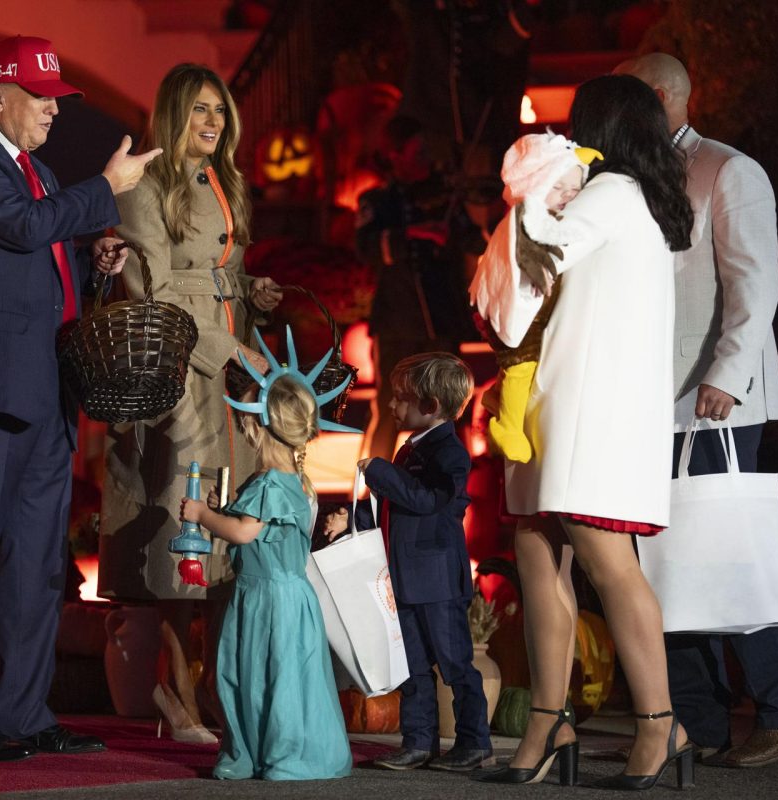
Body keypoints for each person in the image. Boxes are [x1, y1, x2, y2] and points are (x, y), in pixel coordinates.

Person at [0, 35, 160, 761]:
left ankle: (22, 712)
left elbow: (37, 249)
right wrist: (102, 194)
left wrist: (92, 258)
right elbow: (19, 228)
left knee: (36, 562)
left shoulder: (40, 170)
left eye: (57, 98)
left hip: (43, 388)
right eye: (40, 96)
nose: (52, 111)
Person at [473, 75, 696, 790]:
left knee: (607, 562)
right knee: (538, 557)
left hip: (587, 410)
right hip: (557, 401)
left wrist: (528, 197)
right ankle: (548, 716)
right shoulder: (632, 199)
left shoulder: (612, 196)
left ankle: (661, 723)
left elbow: (528, 265)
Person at [617, 52, 778, 768]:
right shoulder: (629, 175)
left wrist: (728, 376)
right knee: (667, 563)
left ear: (667, 98)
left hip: (713, 398)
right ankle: (699, 720)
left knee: (728, 552)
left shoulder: (729, 169)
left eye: (629, 90)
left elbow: (754, 282)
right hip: (652, 401)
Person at [97, 63, 282, 744]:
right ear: (175, 113)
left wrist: (249, 292)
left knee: (226, 535)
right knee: (182, 536)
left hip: (230, 375)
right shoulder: (145, 182)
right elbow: (152, 292)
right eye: (201, 110)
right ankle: (179, 699)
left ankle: (209, 692)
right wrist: (228, 350)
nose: (214, 123)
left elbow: (215, 272)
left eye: (221, 112)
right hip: (177, 374)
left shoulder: (223, 181)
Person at [180, 350, 352, 781]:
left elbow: (242, 533)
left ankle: (280, 755)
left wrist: (202, 515)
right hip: (277, 596)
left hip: (270, 600)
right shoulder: (291, 482)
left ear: (257, 427)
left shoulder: (273, 483)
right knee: (266, 675)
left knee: (265, 676)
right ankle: (256, 753)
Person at [326, 353, 493, 771]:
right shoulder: (408, 451)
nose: (393, 406)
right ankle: (419, 741)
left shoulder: (449, 453)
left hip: (436, 581)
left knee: (455, 664)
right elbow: (392, 509)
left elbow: (427, 500)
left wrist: (381, 471)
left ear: (431, 405)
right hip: (403, 579)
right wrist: (355, 516)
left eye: (401, 399)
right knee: (412, 665)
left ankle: (475, 742)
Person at [470, 131, 598, 463]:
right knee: (521, 362)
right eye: (558, 188)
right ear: (536, 182)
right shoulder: (527, 217)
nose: (567, 196)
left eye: (574, 189)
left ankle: (499, 398)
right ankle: (506, 427)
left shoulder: (539, 216)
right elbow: (545, 245)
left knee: (525, 360)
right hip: (507, 311)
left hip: (522, 308)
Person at [356, 116, 477, 461]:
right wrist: (415, 233)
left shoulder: (443, 195)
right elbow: (365, 248)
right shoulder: (378, 201)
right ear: (395, 155)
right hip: (397, 321)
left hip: (440, 320)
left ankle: (454, 482)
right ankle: (375, 487)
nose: (425, 157)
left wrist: (460, 216)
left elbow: (470, 239)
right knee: (389, 406)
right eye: (416, 151)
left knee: (452, 405)